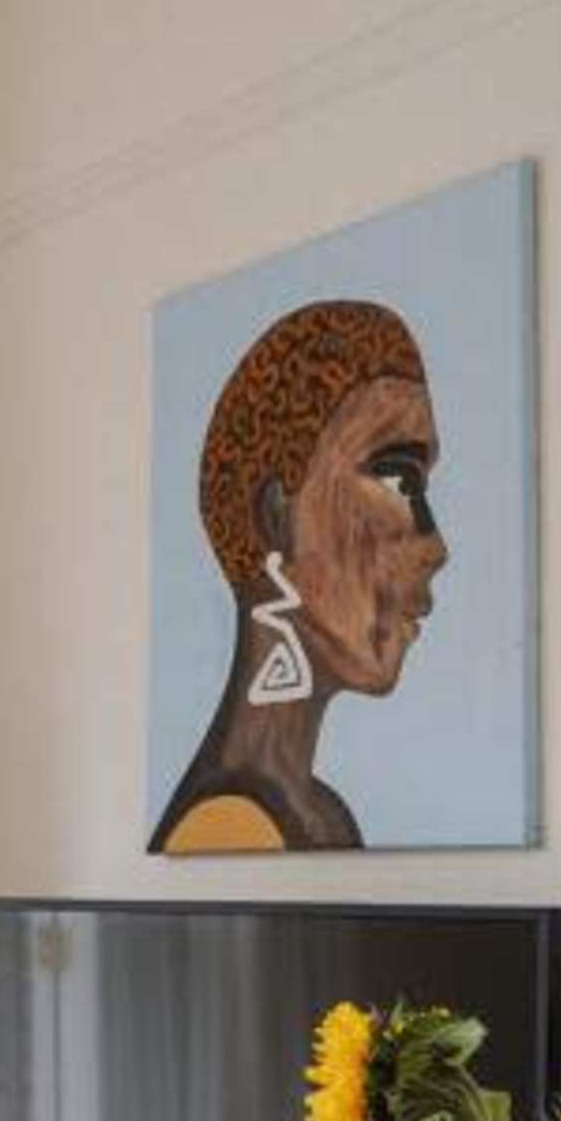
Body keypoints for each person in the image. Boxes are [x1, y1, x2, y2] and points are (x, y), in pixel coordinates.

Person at [151, 300, 444, 855]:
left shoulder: (322, 813)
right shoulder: (232, 827)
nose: (435, 546)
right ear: (276, 519)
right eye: (398, 480)